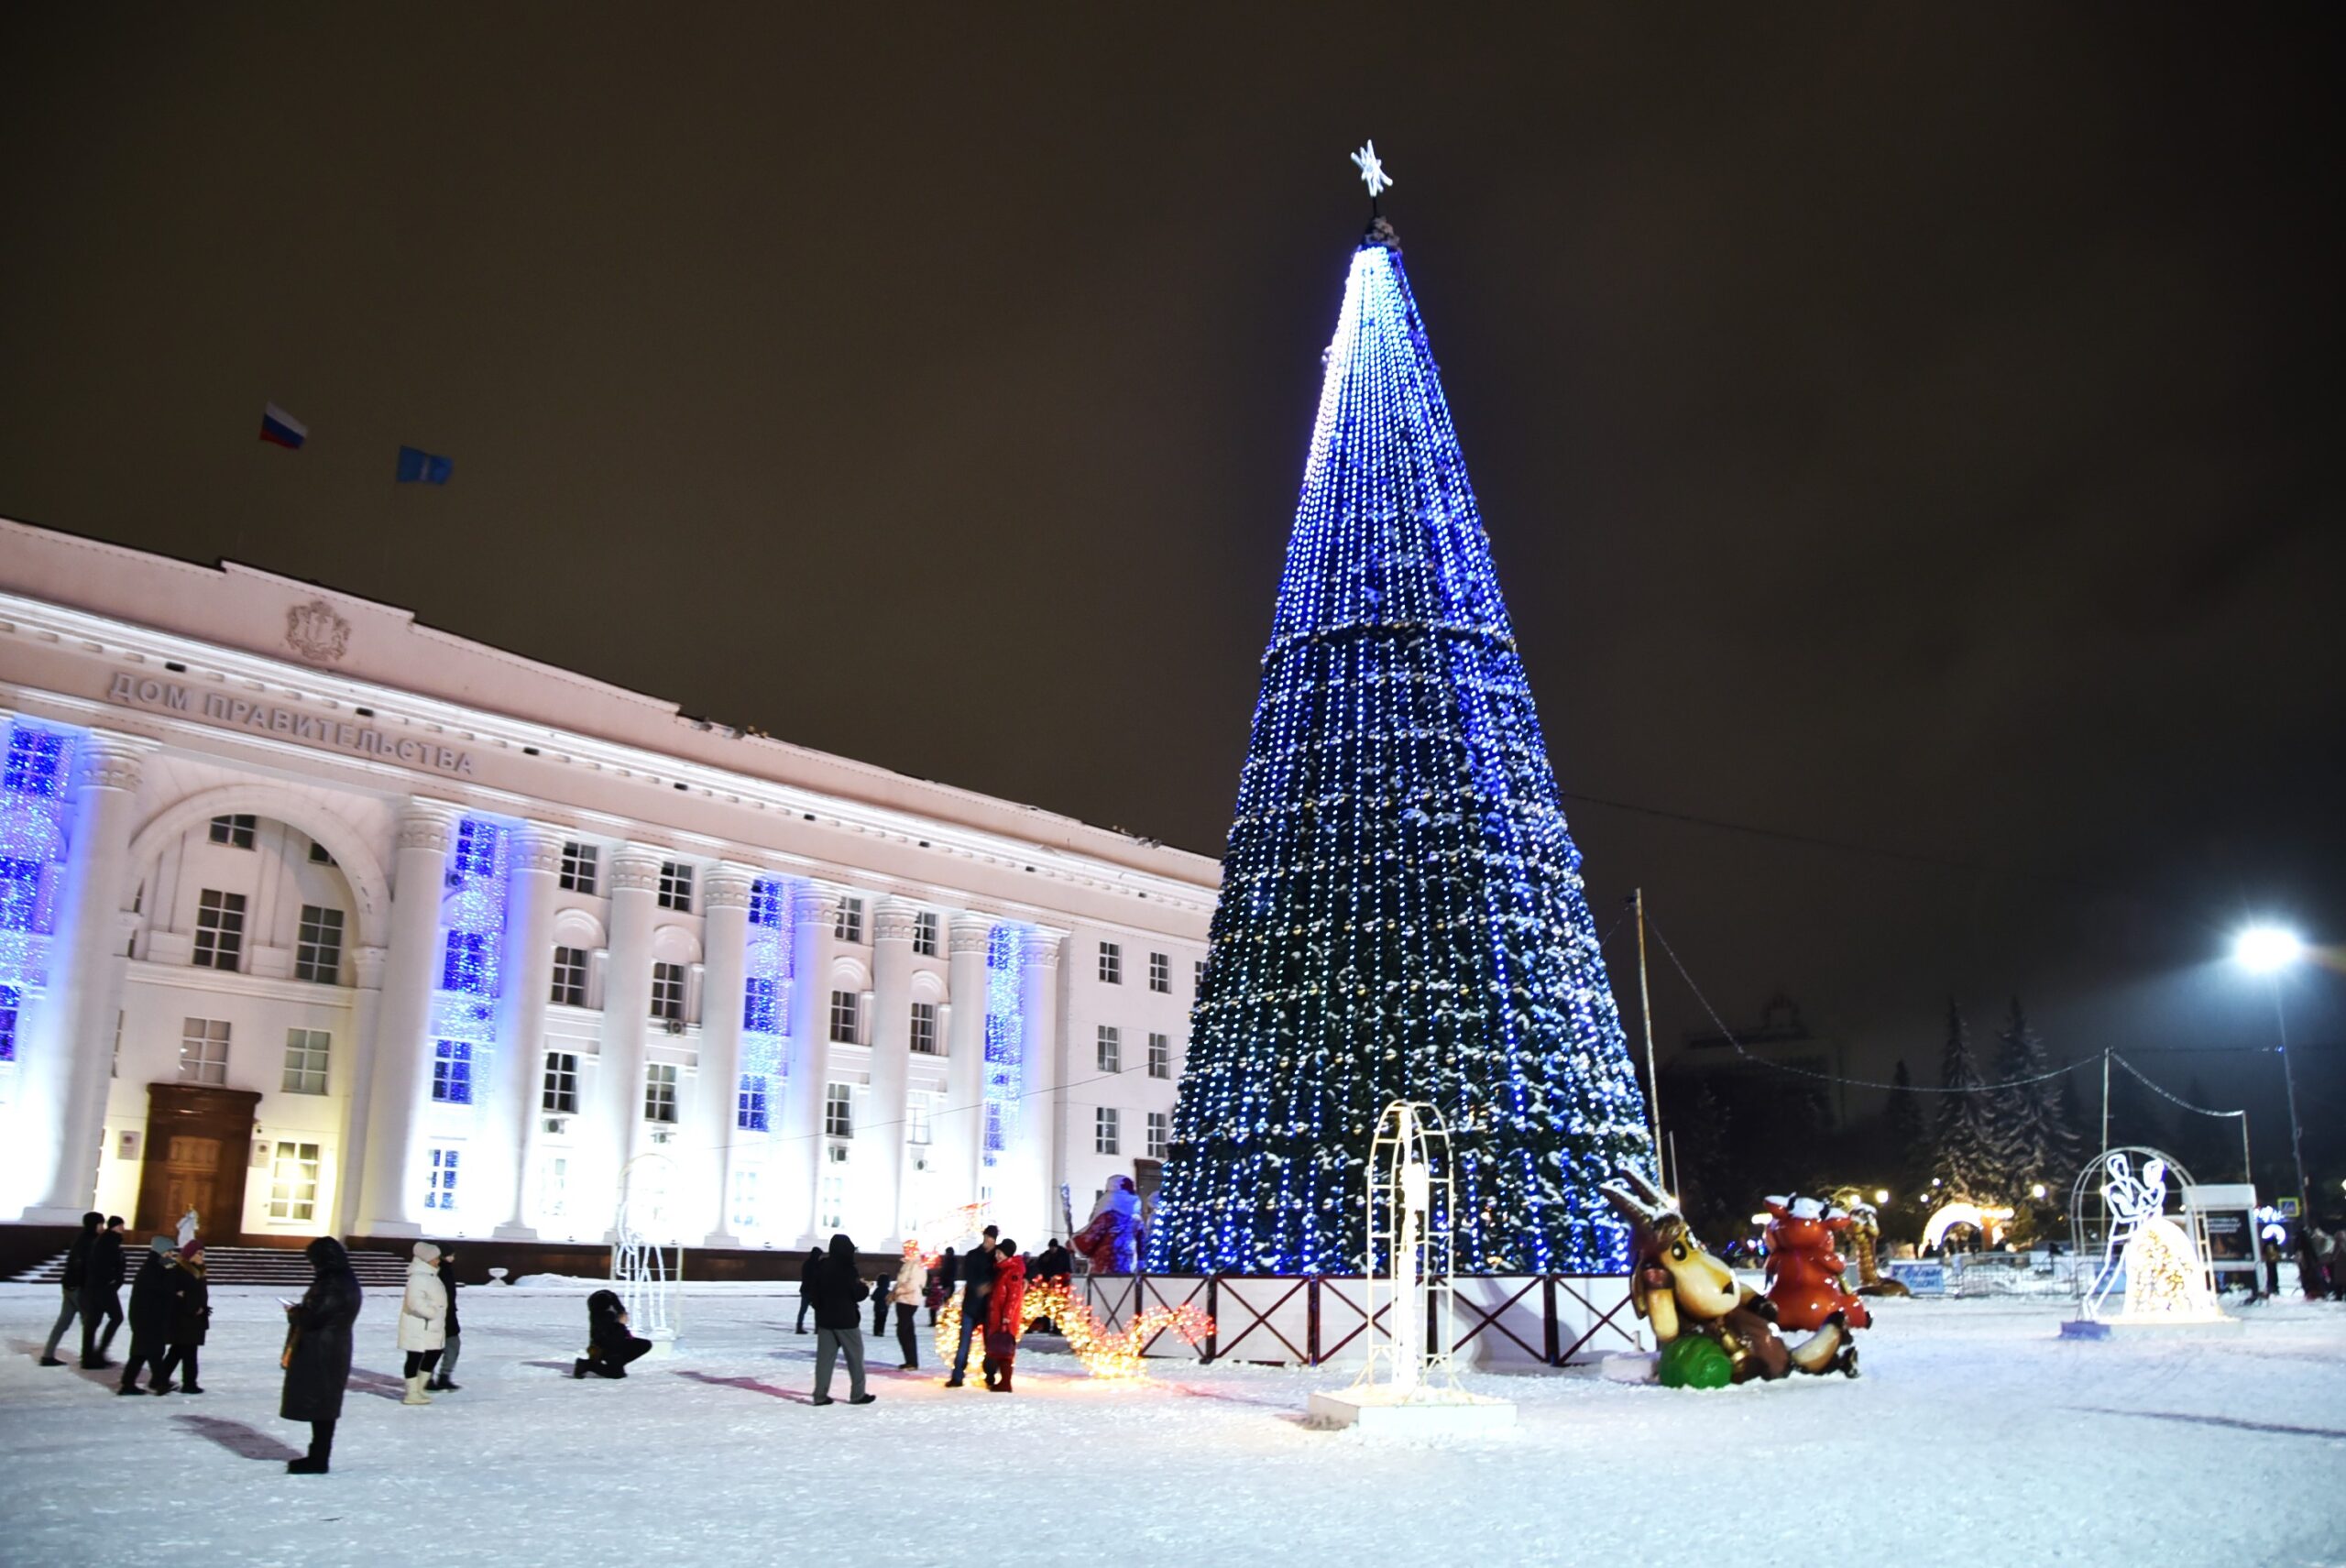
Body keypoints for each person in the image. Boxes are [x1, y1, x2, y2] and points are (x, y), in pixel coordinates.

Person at [281, 1236, 362, 1475]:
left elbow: (314, 1317)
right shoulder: (344, 1279)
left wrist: (294, 1312)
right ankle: (317, 1456)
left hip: (322, 1350)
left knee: (322, 1405)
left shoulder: (332, 1282)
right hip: (333, 1346)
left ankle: (318, 1459)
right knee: (324, 1405)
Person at [807, 1233, 876, 1406]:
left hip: (825, 1320)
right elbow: (856, 1294)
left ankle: (820, 1396)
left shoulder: (822, 1266)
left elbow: (813, 1293)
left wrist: (821, 1308)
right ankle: (858, 1394)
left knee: (824, 1361)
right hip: (847, 1321)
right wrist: (865, 1287)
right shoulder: (848, 1268)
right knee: (855, 1358)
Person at [38, 1211, 102, 1366]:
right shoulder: (89, 1242)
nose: (102, 1227)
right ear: (94, 1224)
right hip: (78, 1287)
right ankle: (89, 1357)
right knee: (88, 1321)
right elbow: (83, 1266)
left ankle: (48, 1354)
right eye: (101, 1224)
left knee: (64, 1322)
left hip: (69, 1285)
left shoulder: (81, 1239)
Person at [117, 1235, 176, 1395]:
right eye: (170, 1251)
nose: (172, 1255)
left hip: (146, 1316)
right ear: (162, 1251)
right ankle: (160, 1383)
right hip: (148, 1317)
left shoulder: (156, 1265)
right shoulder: (153, 1268)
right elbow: (165, 1288)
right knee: (154, 1351)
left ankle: (128, 1383)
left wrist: (170, 1267)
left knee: (140, 1352)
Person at [153, 1241, 211, 1393]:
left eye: (202, 1254)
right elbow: (177, 1292)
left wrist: (201, 1308)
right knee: (188, 1351)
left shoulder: (199, 1270)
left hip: (195, 1317)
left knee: (178, 1350)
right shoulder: (179, 1269)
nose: (202, 1257)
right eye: (199, 1254)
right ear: (190, 1254)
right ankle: (189, 1383)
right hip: (184, 1317)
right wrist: (193, 1307)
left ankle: (160, 1379)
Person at [946, 1224, 999, 1387]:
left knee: (990, 1344)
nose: (988, 1240)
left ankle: (990, 1375)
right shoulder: (973, 1255)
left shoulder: (998, 1257)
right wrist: (979, 1287)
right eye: (986, 1237)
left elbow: (1013, 1268)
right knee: (964, 1343)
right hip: (971, 1305)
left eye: (991, 1238)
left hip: (988, 1307)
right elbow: (969, 1275)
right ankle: (957, 1376)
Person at [396, 1241, 447, 1405]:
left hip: (430, 1326)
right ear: (427, 1258)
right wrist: (431, 1312)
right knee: (415, 1356)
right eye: (436, 1257)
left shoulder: (430, 1275)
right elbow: (414, 1302)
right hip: (419, 1325)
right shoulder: (419, 1277)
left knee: (434, 1352)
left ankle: (419, 1388)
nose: (438, 1260)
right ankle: (412, 1393)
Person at [981, 1238, 1029, 1393]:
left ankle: (1006, 1383)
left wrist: (1007, 1317)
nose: (997, 1256)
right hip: (999, 1316)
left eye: (1000, 1253)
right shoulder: (1004, 1269)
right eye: (997, 1253)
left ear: (1007, 1254)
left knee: (1005, 1350)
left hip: (1005, 1318)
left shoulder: (1013, 1271)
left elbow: (1013, 1297)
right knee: (1000, 1350)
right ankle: (1003, 1381)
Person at [80, 1215, 126, 1369]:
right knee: (116, 1317)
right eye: (121, 1226)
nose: (123, 1229)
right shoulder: (108, 1242)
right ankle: (97, 1354)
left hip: (97, 1287)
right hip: (103, 1288)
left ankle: (90, 1357)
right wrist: (112, 1280)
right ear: (115, 1227)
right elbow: (102, 1264)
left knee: (93, 1322)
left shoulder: (107, 1240)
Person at [576, 1288, 651, 1378]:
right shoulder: (602, 1316)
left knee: (645, 1344)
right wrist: (620, 1324)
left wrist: (621, 1319)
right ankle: (586, 1365)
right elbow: (610, 1337)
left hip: (617, 1345)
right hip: (607, 1348)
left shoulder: (613, 1309)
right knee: (616, 1374)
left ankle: (616, 1364)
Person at [428, 1249, 463, 1391]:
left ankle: (443, 1377)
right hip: (437, 1314)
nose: (453, 1257)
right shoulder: (435, 1270)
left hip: (448, 1315)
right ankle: (428, 1378)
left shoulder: (446, 1270)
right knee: (433, 1348)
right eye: (451, 1254)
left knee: (452, 1345)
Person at [890, 1242, 924, 1370]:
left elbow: (912, 1285)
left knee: (904, 1331)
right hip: (903, 1299)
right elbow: (901, 1282)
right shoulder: (909, 1264)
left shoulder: (915, 1265)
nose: (905, 1251)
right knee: (907, 1330)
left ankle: (912, 1361)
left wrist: (896, 1292)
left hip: (909, 1300)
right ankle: (911, 1361)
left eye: (907, 1249)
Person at [925, 1246, 955, 1326]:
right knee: (947, 1303)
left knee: (936, 1304)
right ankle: (945, 1319)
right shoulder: (950, 1262)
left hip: (941, 1285)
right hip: (947, 1285)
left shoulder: (946, 1262)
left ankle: (935, 1321)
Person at [794, 1246, 822, 1333]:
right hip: (812, 1291)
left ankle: (799, 1327)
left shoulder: (807, 1263)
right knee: (818, 1310)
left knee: (803, 1310)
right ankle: (817, 1328)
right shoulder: (816, 1265)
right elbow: (816, 1278)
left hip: (805, 1290)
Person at [872, 1253, 893, 1337]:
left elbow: (873, 1297)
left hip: (878, 1307)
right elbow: (890, 1299)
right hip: (885, 1308)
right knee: (883, 1320)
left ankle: (877, 1331)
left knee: (877, 1320)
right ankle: (881, 1331)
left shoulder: (878, 1289)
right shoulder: (888, 1290)